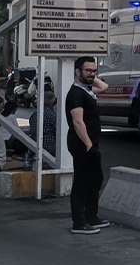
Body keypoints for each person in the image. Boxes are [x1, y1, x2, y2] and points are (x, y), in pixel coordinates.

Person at [66, 56, 110, 235]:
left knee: (95, 179)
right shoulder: (75, 94)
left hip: (91, 143)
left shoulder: (86, 90)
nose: (92, 74)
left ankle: (92, 216)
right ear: (77, 71)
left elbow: (104, 87)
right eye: (88, 71)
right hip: (82, 144)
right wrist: (89, 145)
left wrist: (91, 77)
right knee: (82, 182)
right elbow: (78, 122)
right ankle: (79, 222)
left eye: (94, 71)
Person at [25, 84, 57, 171]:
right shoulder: (53, 116)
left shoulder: (34, 115)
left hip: (34, 147)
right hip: (49, 148)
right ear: (53, 101)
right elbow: (58, 133)